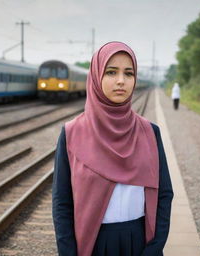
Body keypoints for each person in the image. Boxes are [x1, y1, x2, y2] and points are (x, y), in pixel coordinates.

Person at [52, 41, 174, 256]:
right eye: (110, 72)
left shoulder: (150, 132)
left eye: (129, 73)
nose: (121, 81)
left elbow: (164, 194)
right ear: (96, 76)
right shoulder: (71, 133)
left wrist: (155, 248)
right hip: (92, 244)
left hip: (140, 242)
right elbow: (62, 203)